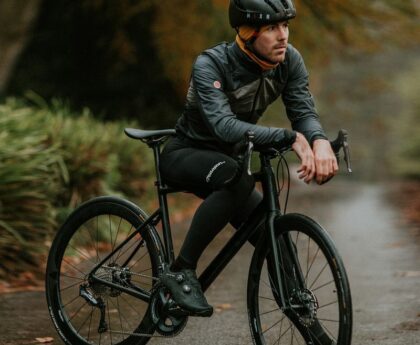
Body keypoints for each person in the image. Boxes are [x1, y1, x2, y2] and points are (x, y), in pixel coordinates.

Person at [159, 0, 338, 317]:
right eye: (271, 27)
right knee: (236, 177)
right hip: (186, 154)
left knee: (279, 244)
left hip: (231, 165)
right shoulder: (211, 64)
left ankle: (311, 326)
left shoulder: (288, 61)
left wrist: (319, 140)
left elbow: (303, 112)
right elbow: (224, 127)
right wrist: (289, 137)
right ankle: (181, 269)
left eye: (285, 25)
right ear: (247, 32)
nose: (283, 35)